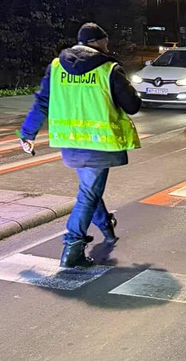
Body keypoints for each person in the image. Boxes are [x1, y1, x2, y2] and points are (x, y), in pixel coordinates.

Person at [18, 23, 142, 268]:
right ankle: (72, 247)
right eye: (105, 41)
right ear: (98, 42)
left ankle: (106, 226)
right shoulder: (108, 68)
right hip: (98, 142)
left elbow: (42, 102)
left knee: (89, 190)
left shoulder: (55, 67)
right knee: (87, 194)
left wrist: (27, 133)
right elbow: (132, 106)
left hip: (70, 141)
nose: (108, 45)